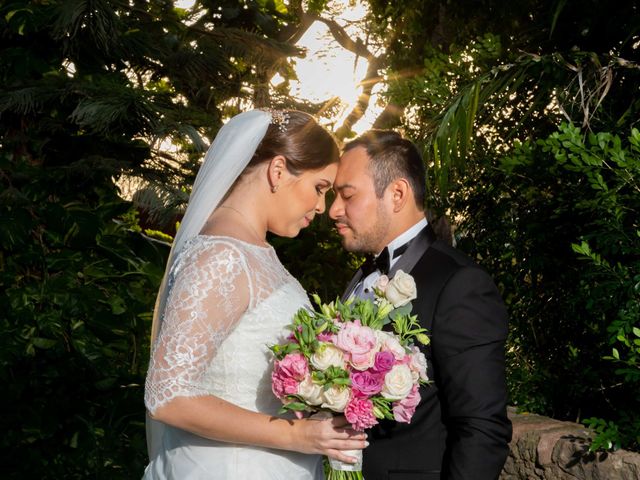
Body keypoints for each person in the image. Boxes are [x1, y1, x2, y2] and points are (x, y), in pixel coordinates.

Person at [143, 109, 367, 479]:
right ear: (278, 171)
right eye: (319, 188)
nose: (320, 207)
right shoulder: (222, 255)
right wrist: (297, 436)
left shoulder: (253, 251)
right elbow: (168, 396)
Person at [329, 130, 512, 480]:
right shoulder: (361, 277)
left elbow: (482, 428)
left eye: (346, 195)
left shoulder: (459, 283)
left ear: (396, 194)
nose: (333, 210)